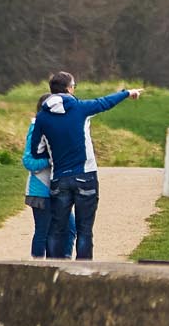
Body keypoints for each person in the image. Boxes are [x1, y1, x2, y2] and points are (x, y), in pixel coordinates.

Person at [27, 71, 143, 259]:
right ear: (69, 88)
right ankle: (84, 271)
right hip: (86, 175)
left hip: (59, 178)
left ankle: (53, 269)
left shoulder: (42, 117)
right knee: (84, 230)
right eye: (74, 86)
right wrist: (127, 92)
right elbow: (105, 102)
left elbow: (36, 150)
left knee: (57, 229)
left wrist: (54, 150)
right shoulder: (80, 108)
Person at [21, 116, 73, 258]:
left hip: (58, 189)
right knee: (43, 231)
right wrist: (51, 160)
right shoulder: (36, 128)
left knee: (69, 229)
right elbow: (29, 162)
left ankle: (62, 263)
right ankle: (38, 265)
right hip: (40, 190)